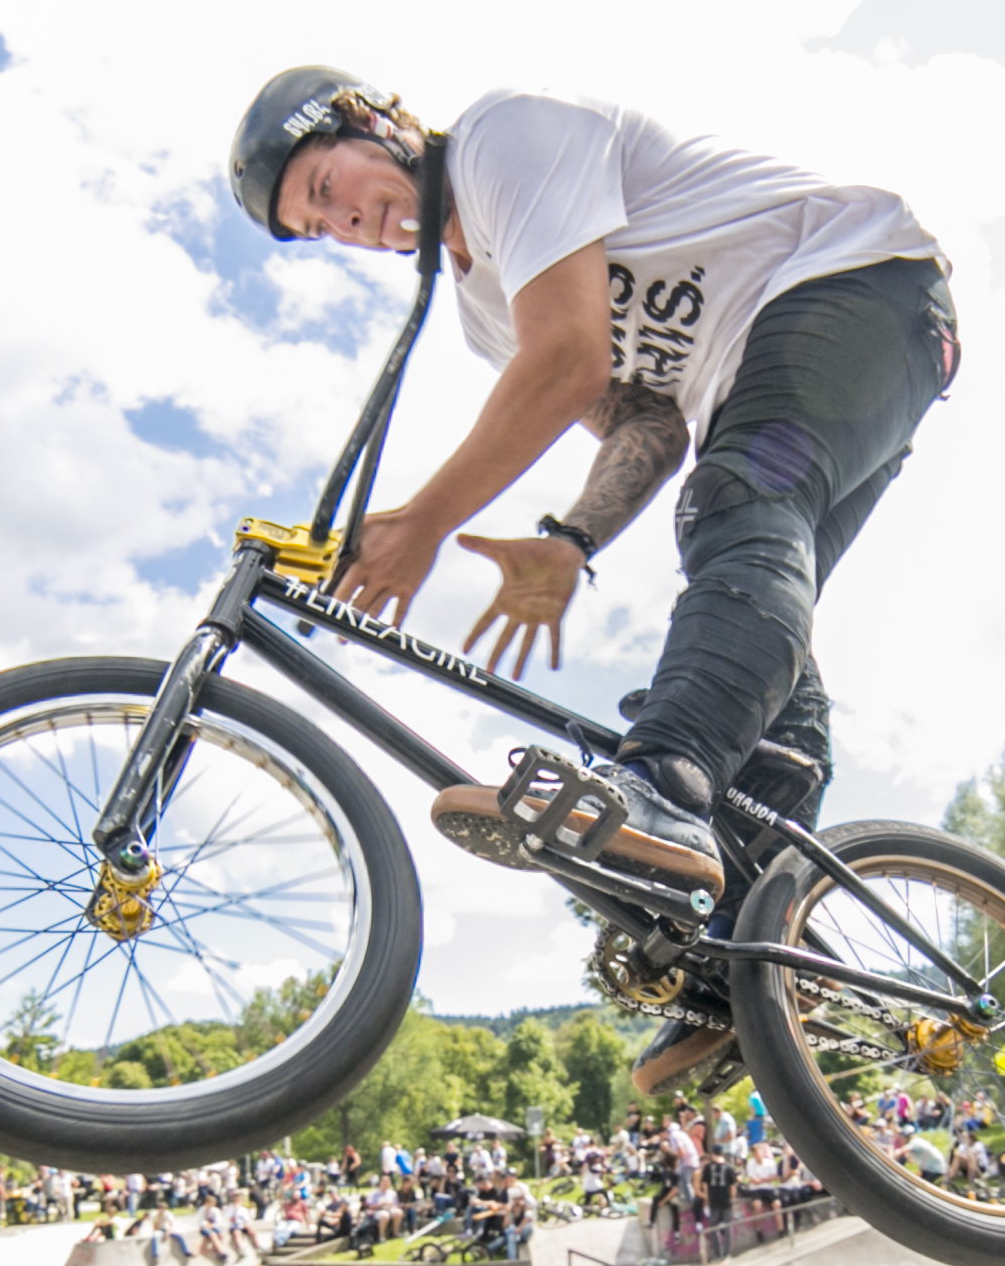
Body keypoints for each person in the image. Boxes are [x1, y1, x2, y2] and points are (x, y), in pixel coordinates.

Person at [237, 70, 957, 1104]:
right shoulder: (484, 312)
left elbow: (570, 359)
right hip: (793, 379)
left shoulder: (501, 142)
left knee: (733, 509)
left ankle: (666, 794)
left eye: (326, 185)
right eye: (321, 228)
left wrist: (421, 522)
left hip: (858, 285)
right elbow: (646, 422)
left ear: (375, 122)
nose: (348, 223)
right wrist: (570, 540)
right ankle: (755, 950)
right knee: (741, 585)